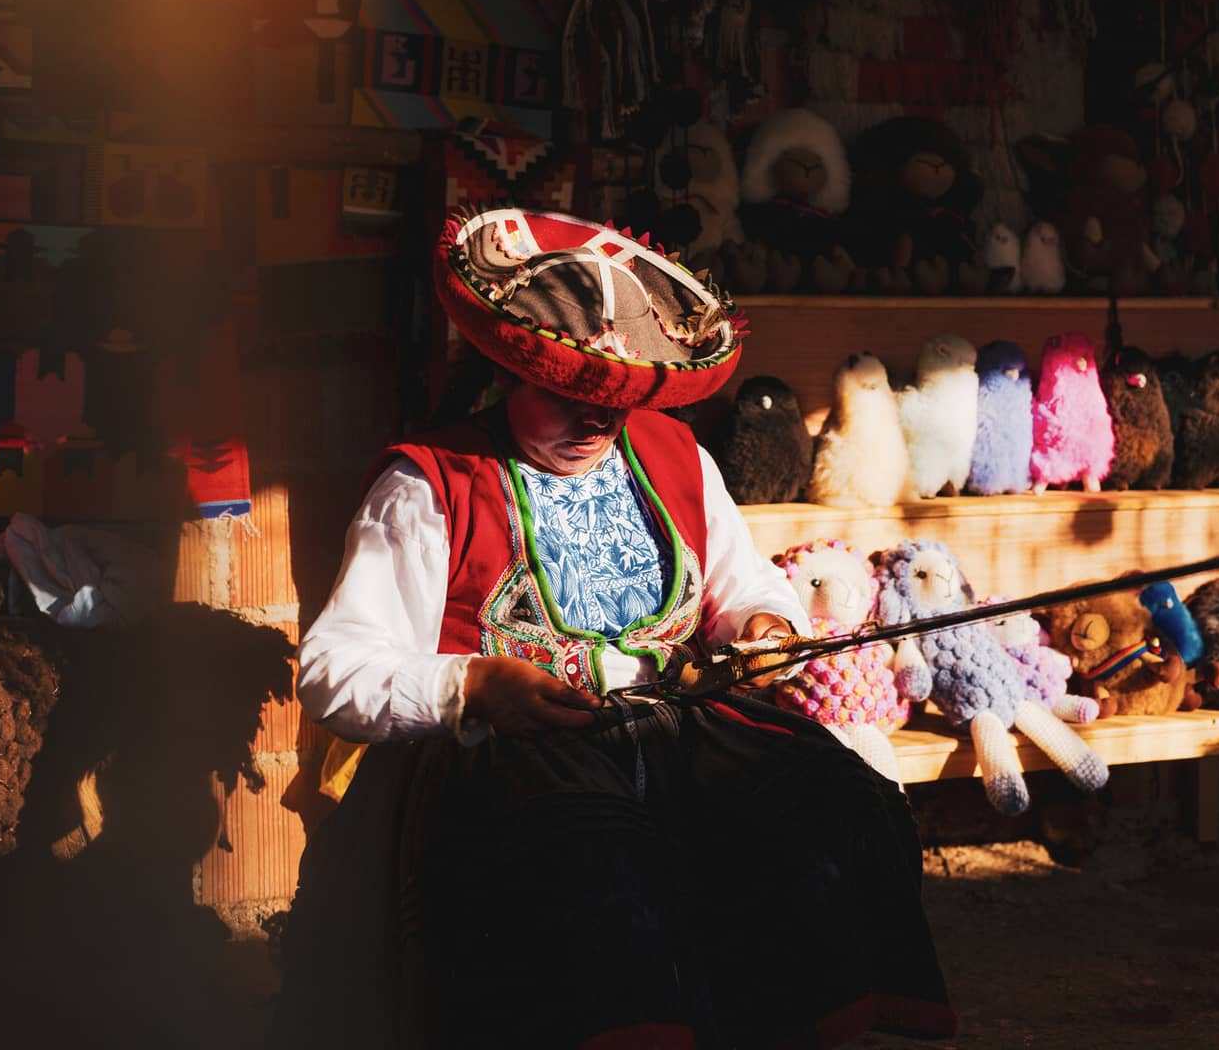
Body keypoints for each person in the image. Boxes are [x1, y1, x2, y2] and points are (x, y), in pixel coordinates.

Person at [274, 208, 951, 1048]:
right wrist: (473, 685)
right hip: (506, 761)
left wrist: (764, 626)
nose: (597, 422)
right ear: (512, 372)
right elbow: (334, 669)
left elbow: (737, 586)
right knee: (596, 867)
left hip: (676, 733)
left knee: (839, 802)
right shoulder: (430, 485)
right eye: (569, 397)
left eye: (617, 402)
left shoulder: (677, 457)